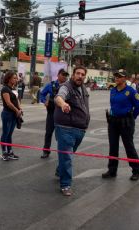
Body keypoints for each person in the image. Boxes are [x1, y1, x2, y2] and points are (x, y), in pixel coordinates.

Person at [53, 66, 90, 196]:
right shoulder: (66, 87)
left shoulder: (84, 89)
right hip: (66, 128)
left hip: (80, 129)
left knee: (67, 154)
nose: (80, 76)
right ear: (73, 75)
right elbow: (59, 97)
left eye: (82, 74)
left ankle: (60, 170)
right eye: (78, 73)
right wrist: (63, 104)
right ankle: (65, 184)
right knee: (67, 156)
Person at [102, 69, 139, 181]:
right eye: (116, 76)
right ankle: (112, 170)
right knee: (113, 147)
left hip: (126, 122)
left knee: (129, 147)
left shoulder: (131, 91)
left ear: (125, 78)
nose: (117, 78)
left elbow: (138, 107)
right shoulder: (113, 90)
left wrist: (131, 118)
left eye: (119, 76)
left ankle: (137, 171)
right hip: (113, 122)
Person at [40, 69, 69, 159]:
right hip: (51, 113)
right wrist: (45, 101)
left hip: (63, 114)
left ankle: (63, 153)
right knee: (48, 132)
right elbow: (42, 94)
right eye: (63, 75)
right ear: (58, 75)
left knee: (62, 135)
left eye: (66, 75)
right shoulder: (51, 85)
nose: (64, 76)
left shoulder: (68, 86)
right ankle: (46, 151)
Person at [0, 71, 21, 161]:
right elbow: (8, 103)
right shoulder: (5, 89)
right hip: (7, 114)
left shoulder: (13, 89)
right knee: (5, 133)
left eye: (16, 78)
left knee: (9, 134)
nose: (16, 80)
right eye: (14, 78)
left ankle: (10, 152)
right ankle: (4, 153)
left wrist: (20, 109)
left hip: (13, 114)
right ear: (9, 78)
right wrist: (17, 110)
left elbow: (17, 100)